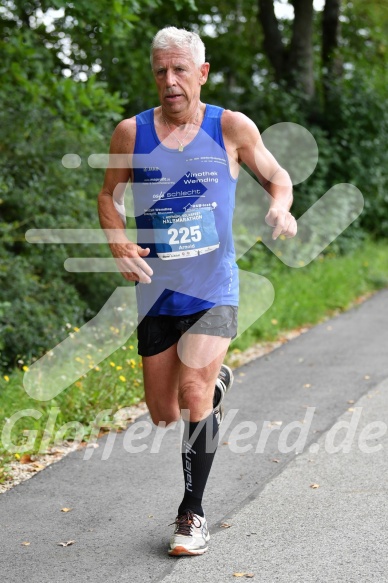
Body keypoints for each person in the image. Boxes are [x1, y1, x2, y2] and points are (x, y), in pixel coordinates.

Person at [98, 26, 297, 556]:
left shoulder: (229, 127)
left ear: (202, 73)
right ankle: (217, 387)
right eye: (161, 70)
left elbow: (278, 176)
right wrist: (118, 243)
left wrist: (280, 204)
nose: (170, 81)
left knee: (192, 395)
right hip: (158, 293)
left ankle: (192, 514)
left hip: (214, 287)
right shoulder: (130, 134)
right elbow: (108, 197)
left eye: (180, 69)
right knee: (163, 411)